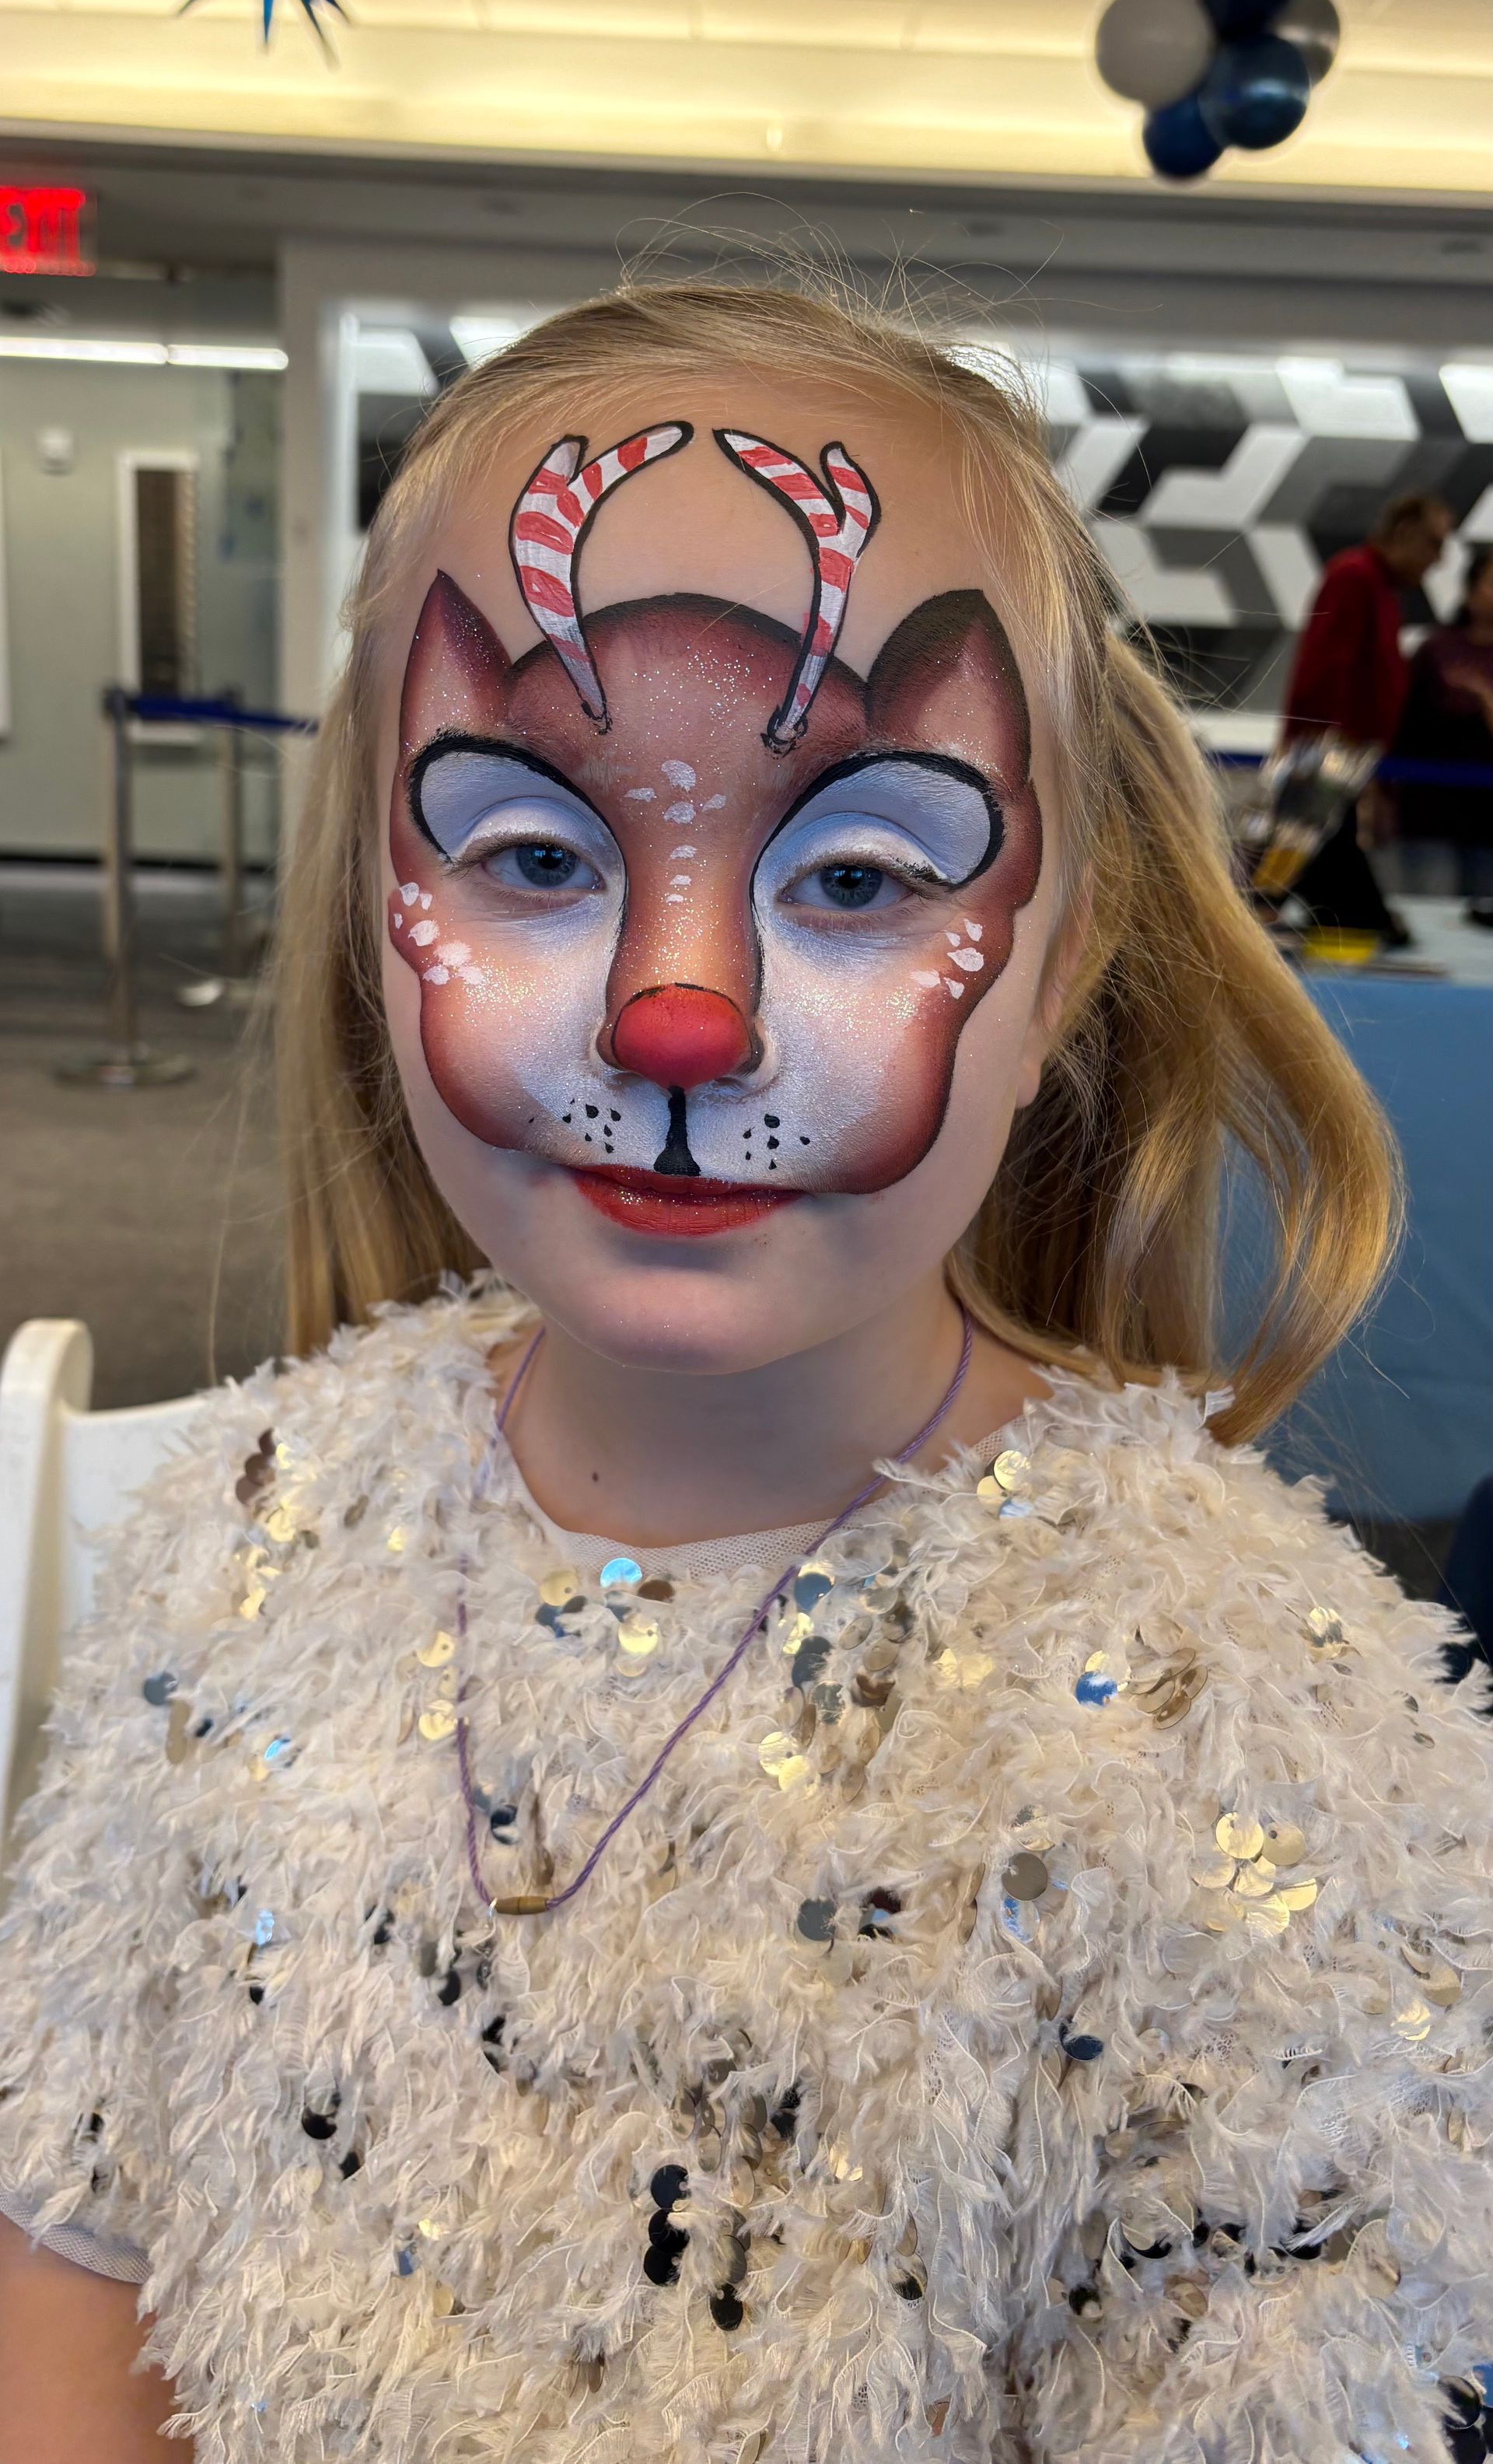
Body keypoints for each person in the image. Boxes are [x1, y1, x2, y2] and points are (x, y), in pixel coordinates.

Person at [2, 283, 1491, 2464]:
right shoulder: (242, 1537)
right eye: (528, 852)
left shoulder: (1260, 1746)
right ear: (375, 905)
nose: (672, 1016)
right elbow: (80, 2267)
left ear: (1065, 957)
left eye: (864, 869)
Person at [1281, 490, 1453, 945]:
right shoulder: (1355, 578)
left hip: (1341, 768)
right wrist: (1319, 759)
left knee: (1336, 908)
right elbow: (1322, 675)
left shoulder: (1377, 590)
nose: (1439, 560)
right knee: (1343, 909)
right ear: (1403, 533)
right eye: (1434, 543)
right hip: (1328, 767)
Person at [1388, 542, 1493, 922]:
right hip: (1428, 807)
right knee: (1427, 912)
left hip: (1487, 817)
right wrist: (1381, 795)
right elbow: (1401, 724)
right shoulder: (1436, 650)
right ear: (1470, 590)